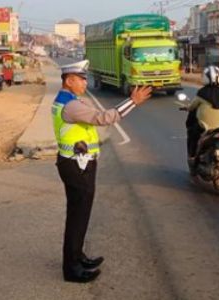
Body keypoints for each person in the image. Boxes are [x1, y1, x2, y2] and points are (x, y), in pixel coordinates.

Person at [53, 60, 152, 283]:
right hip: (78, 166)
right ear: (69, 81)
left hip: (76, 163)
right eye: (81, 79)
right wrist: (132, 102)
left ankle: (78, 257)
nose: (85, 83)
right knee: (78, 218)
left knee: (78, 216)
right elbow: (104, 118)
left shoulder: (68, 101)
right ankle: (72, 269)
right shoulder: (70, 105)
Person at [185, 66, 219, 161]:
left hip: (205, 127)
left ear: (205, 77)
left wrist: (187, 108)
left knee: (193, 133)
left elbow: (193, 106)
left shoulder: (202, 93)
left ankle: (192, 155)